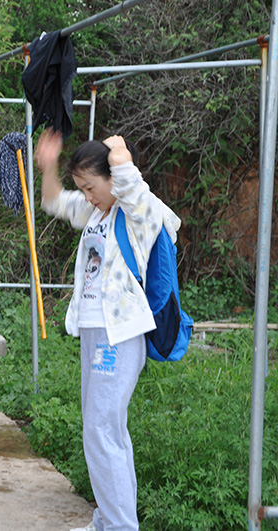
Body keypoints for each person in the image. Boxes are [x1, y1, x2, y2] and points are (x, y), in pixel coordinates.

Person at [34, 128, 182, 531]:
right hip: (95, 330)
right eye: (81, 188)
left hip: (119, 335)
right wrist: (49, 166)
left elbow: (128, 178)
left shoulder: (138, 211)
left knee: (102, 431)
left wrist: (116, 145)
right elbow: (54, 201)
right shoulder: (97, 212)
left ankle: (119, 527)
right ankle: (109, 520)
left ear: (113, 178)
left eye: (90, 187)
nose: (86, 196)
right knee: (104, 430)